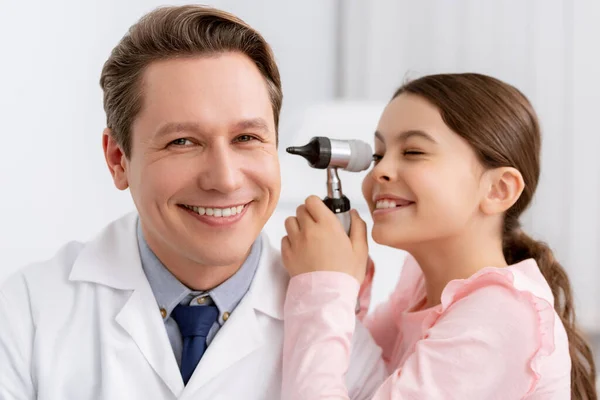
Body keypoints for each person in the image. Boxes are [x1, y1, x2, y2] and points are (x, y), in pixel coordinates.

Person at [0, 5, 387, 399]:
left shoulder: (336, 336)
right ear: (118, 160)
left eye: (247, 138)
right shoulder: (26, 316)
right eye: (182, 142)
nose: (224, 179)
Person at [280, 73, 597, 399]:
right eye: (378, 155)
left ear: (498, 190)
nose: (379, 171)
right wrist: (345, 283)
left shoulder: (499, 317)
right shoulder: (420, 290)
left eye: (413, 152)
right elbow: (358, 378)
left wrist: (324, 288)